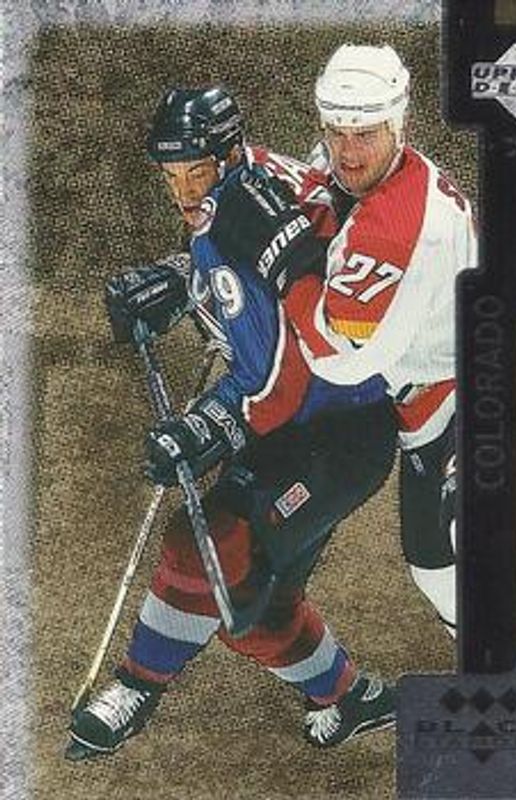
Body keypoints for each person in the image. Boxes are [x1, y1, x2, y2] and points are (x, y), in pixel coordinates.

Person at [65, 85, 399, 761]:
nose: (185, 193)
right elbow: (257, 281)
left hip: (337, 435)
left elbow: (279, 379)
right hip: (321, 423)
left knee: (206, 545)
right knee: (254, 609)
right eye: (171, 177)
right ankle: (352, 698)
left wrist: (206, 425)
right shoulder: (260, 177)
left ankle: (135, 687)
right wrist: (181, 277)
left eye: (197, 173)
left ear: (228, 154)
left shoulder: (232, 214)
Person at [253, 43, 477, 637]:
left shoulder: (395, 232)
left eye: (365, 134)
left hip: (470, 391)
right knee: (435, 565)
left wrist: (287, 266)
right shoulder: (381, 169)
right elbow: (307, 179)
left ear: (400, 124)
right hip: (431, 394)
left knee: (469, 542)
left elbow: (339, 358)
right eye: (337, 131)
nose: (347, 152)